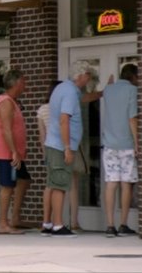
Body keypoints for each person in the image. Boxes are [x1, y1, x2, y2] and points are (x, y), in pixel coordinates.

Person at [44, 61, 95, 237]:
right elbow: (64, 119)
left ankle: (49, 223)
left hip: (53, 144)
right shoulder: (70, 93)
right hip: (60, 146)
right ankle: (58, 225)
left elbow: (85, 98)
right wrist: (67, 147)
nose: (89, 79)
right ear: (80, 76)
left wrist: (104, 93)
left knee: (54, 183)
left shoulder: (64, 89)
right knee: (59, 185)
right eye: (88, 75)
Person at [0, 69, 31, 235]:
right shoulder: (5, 102)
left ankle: (15, 218)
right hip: (5, 152)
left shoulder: (12, 101)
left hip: (15, 152)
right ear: (16, 83)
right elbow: (6, 130)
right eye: (23, 81)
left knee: (24, 179)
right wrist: (14, 151)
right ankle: (3, 224)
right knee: (7, 186)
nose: (25, 85)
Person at [101, 63, 140, 237]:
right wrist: (137, 142)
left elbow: (106, 91)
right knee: (126, 184)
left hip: (109, 145)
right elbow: (132, 118)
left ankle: (110, 225)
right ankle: (123, 224)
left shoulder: (108, 90)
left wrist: (109, 84)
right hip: (126, 144)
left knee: (111, 183)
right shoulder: (132, 91)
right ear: (134, 77)